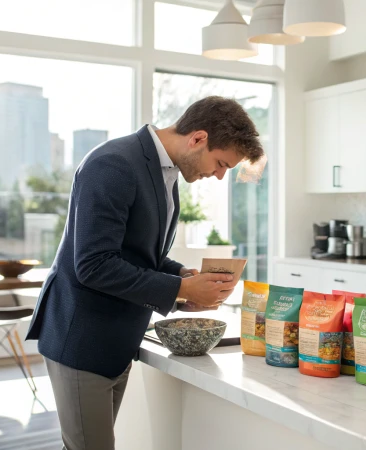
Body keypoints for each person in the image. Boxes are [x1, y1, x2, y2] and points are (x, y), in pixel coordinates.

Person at [25, 96, 264, 450]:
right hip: (83, 337)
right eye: (220, 163)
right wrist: (180, 288)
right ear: (198, 138)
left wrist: (184, 279)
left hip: (116, 338)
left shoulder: (163, 172)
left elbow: (139, 253)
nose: (218, 175)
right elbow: (93, 265)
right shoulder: (114, 164)